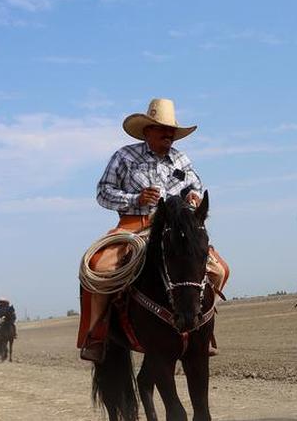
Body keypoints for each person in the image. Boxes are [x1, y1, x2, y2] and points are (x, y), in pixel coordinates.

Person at [78, 98, 230, 363]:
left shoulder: (181, 159)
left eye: (172, 130)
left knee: (220, 270)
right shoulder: (124, 156)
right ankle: (97, 335)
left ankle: (203, 329)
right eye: (162, 128)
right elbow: (103, 192)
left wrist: (193, 197)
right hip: (133, 225)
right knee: (100, 269)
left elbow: (195, 185)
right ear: (147, 130)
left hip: (175, 228)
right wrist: (135, 199)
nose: (168, 134)